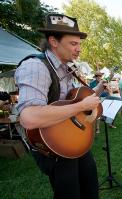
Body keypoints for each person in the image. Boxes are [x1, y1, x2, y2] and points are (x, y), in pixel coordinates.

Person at [15, 14, 103, 199]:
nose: (79, 49)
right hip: (51, 145)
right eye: (73, 44)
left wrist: (96, 93)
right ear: (53, 41)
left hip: (72, 137)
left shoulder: (67, 69)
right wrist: (80, 107)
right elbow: (29, 118)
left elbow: (73, 100)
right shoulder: (36, 66)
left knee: (90, 188)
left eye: (79, 44)